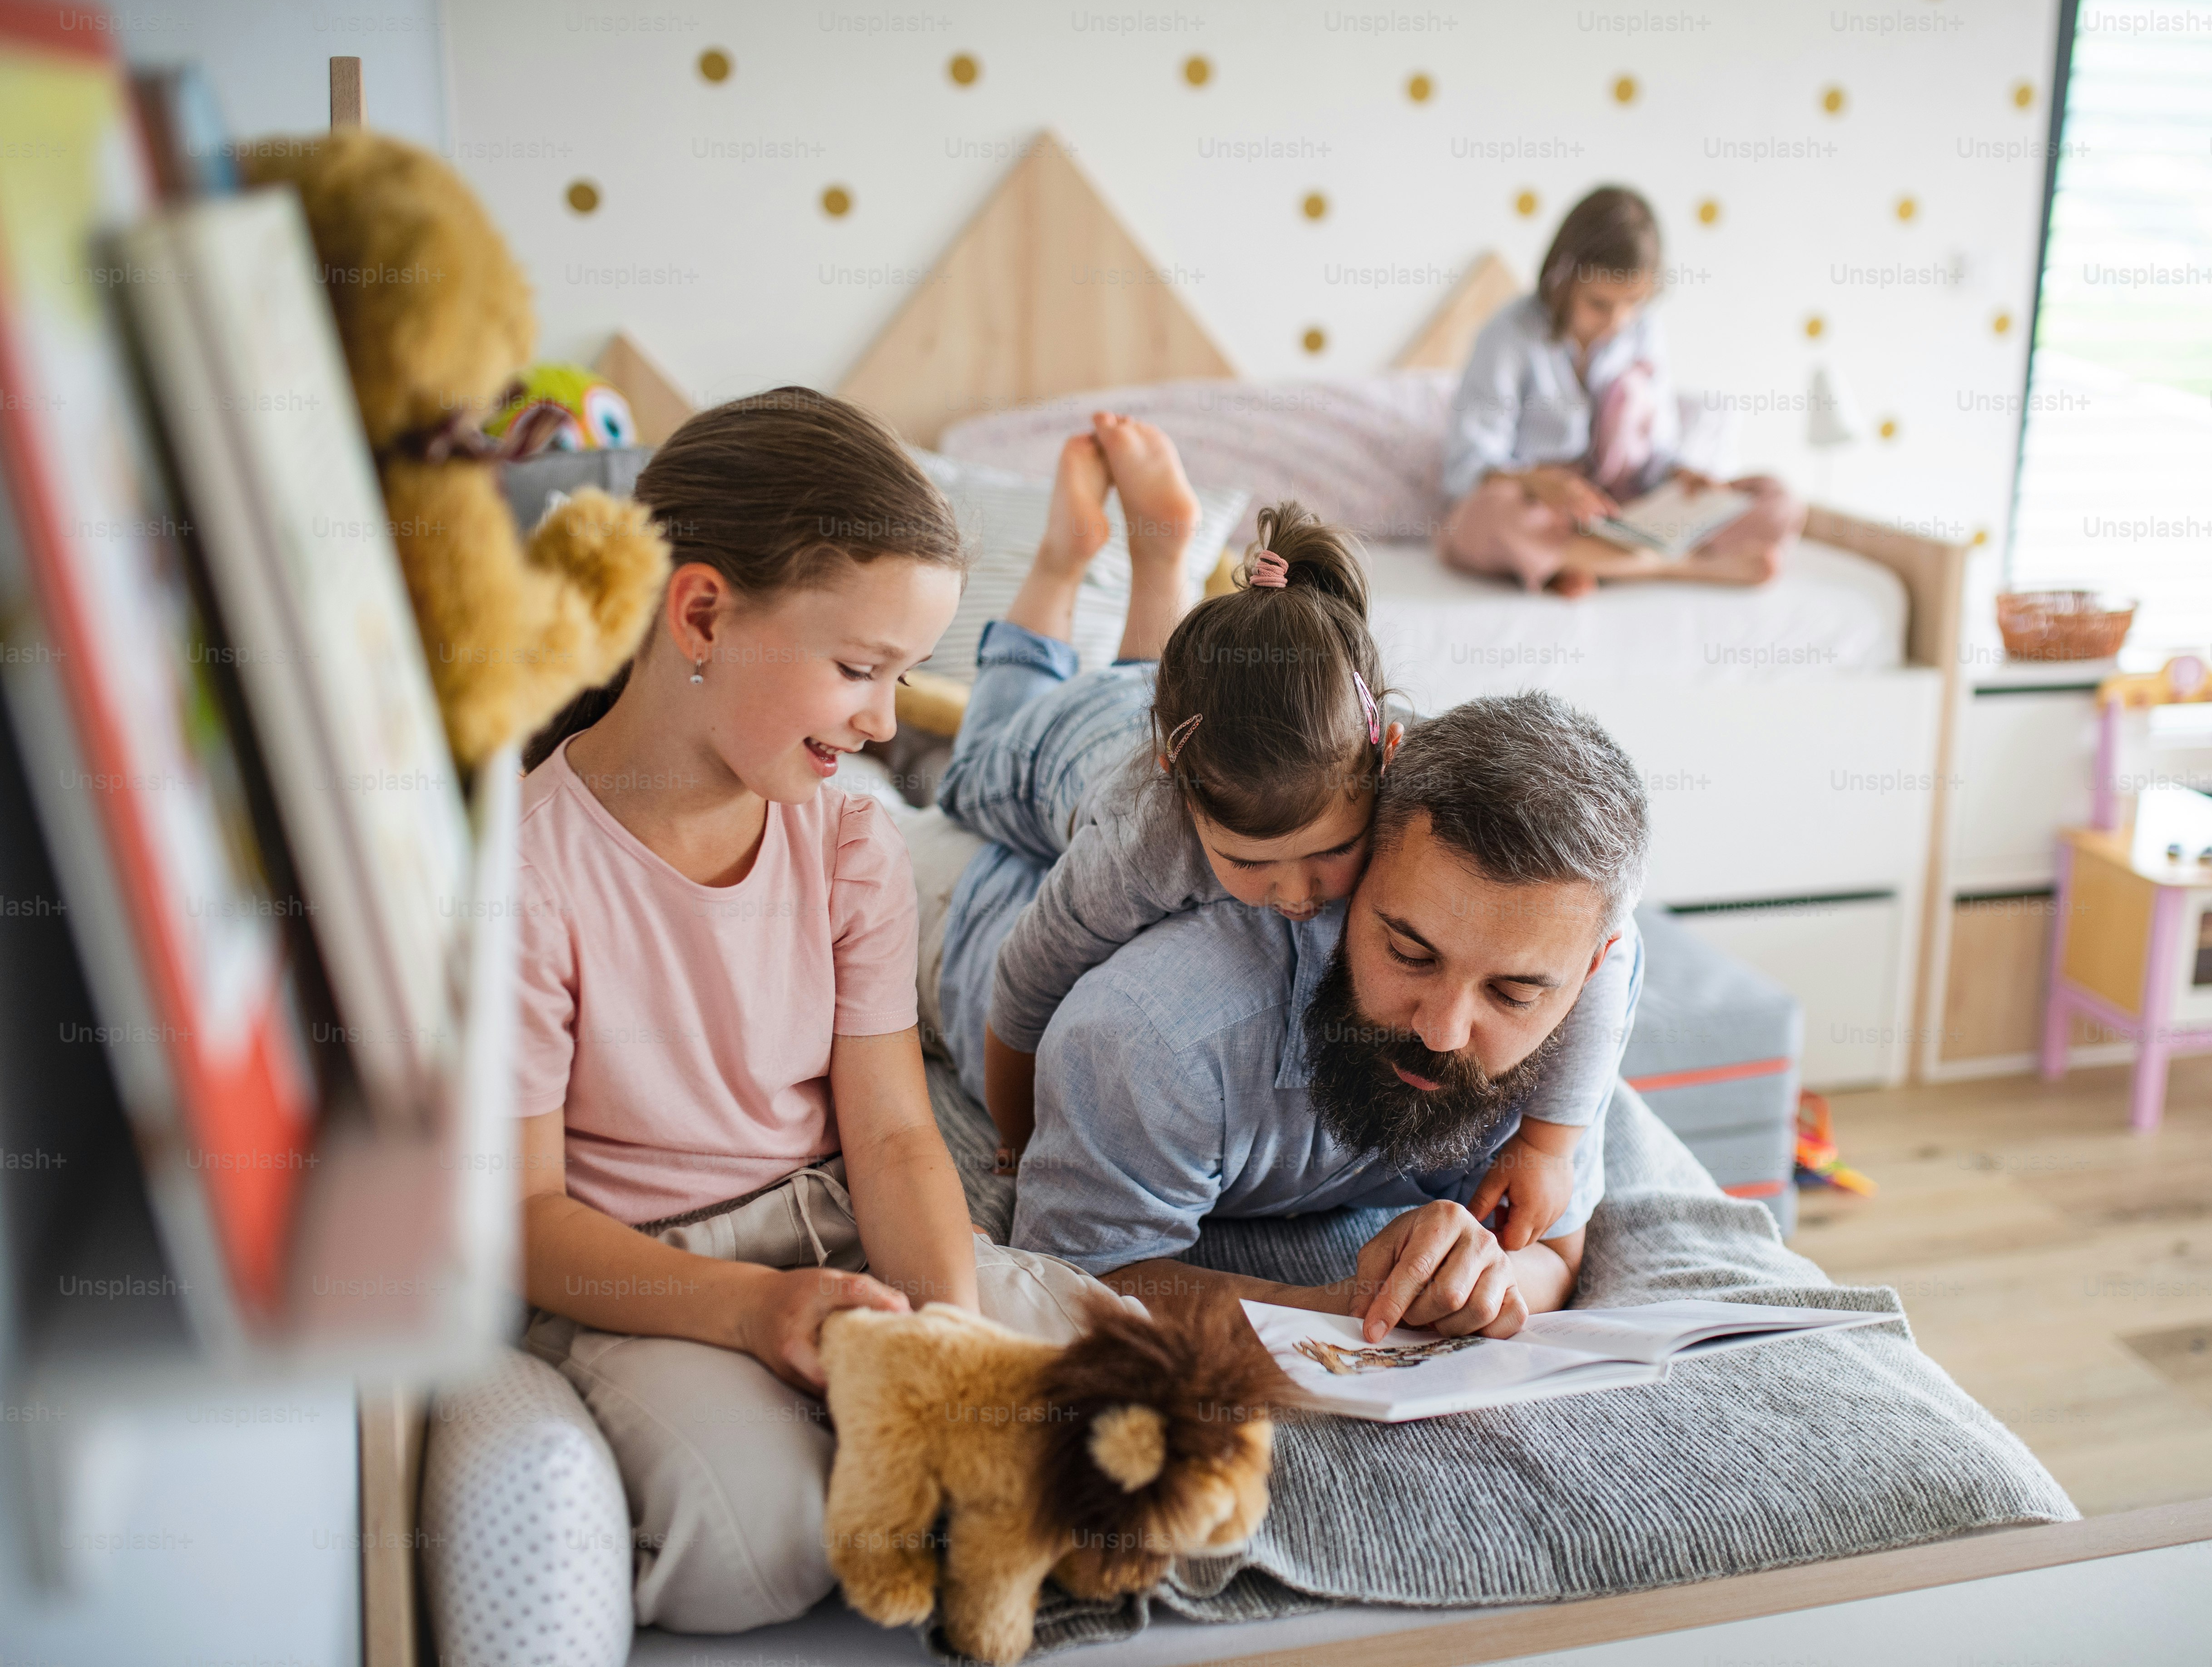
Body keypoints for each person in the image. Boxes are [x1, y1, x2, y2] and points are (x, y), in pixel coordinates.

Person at [507, 389, 1128, 1633]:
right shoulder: (524, 872)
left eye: (902, 676)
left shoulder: (850, 836)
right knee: (765, 1548)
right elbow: (526, 1222)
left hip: (839, 1233)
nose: (886, 721)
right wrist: (752, 1314)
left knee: (1118, 1401)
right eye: (858, 669)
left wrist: (944, 1341)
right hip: (653, 1282)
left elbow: (895, 1135)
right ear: (700, 613)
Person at [933, 413, 1637, 1251]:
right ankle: (1066, 556)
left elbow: (1602, 938)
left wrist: (1548, 1144)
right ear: (1177, 783)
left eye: (1332, 852)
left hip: (1213, 724)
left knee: (1164, 683)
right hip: (1068, 751)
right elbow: (1025, 986)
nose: (1298, 896)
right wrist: (1014, 1141)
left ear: (1389, 754)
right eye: (1250, 863)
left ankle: (1161, 554)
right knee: (978, 753)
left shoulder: (1399, 775)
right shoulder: (1141, 843)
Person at [937, 688, 1649, 1343]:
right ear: (1361, 865)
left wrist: (1479, 1282)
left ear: (1589, 968)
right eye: (1409, 953)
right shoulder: (1157, 1035)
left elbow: (1554, 1251)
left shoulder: (1568, 986)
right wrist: (1341, 1308)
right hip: (971, 890)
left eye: (1513, 996)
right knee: (972, 764)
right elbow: (1074, 1282)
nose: (1443, 1032)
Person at [1439, 184, 1805, 596]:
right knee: (1484, 518)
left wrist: (1682, 474)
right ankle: (1679, 567)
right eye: (1599, 304)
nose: (1618, 320)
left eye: (1633, 302)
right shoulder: (1508, 336)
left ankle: (1584, 565)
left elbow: (1656, 450)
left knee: (1779, 500)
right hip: (1545, 511)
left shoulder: (1644, 331)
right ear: (1562, 279)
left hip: (1626, 514)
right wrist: (1540, 483)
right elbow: (1466, 468)